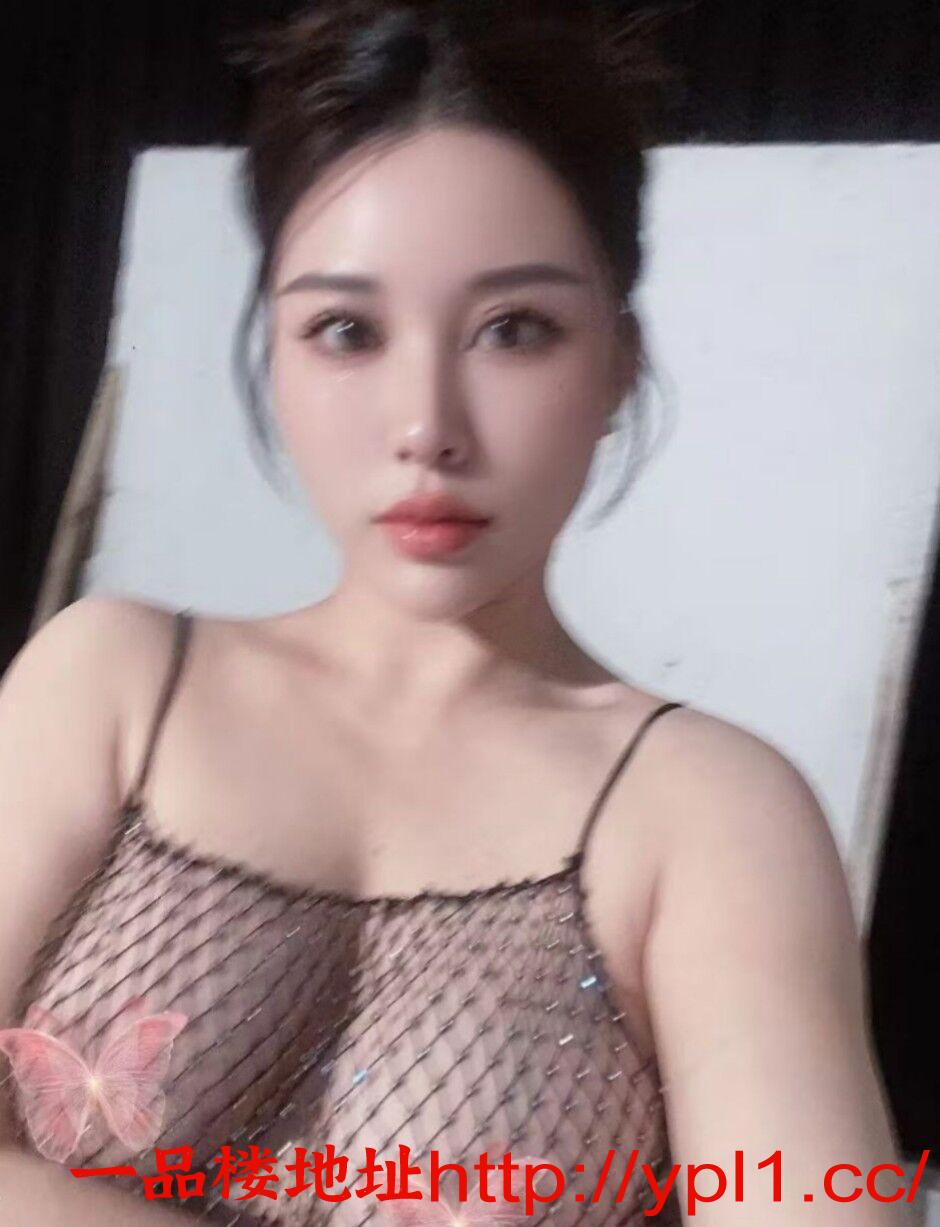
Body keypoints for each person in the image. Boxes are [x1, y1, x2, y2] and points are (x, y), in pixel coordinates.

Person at [0, 1, 911, 1224]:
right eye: (346, 330)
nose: (426, 424)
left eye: (513, 330)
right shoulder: (110, 686)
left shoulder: (708, 816)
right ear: (273, 354)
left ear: (618, 362)